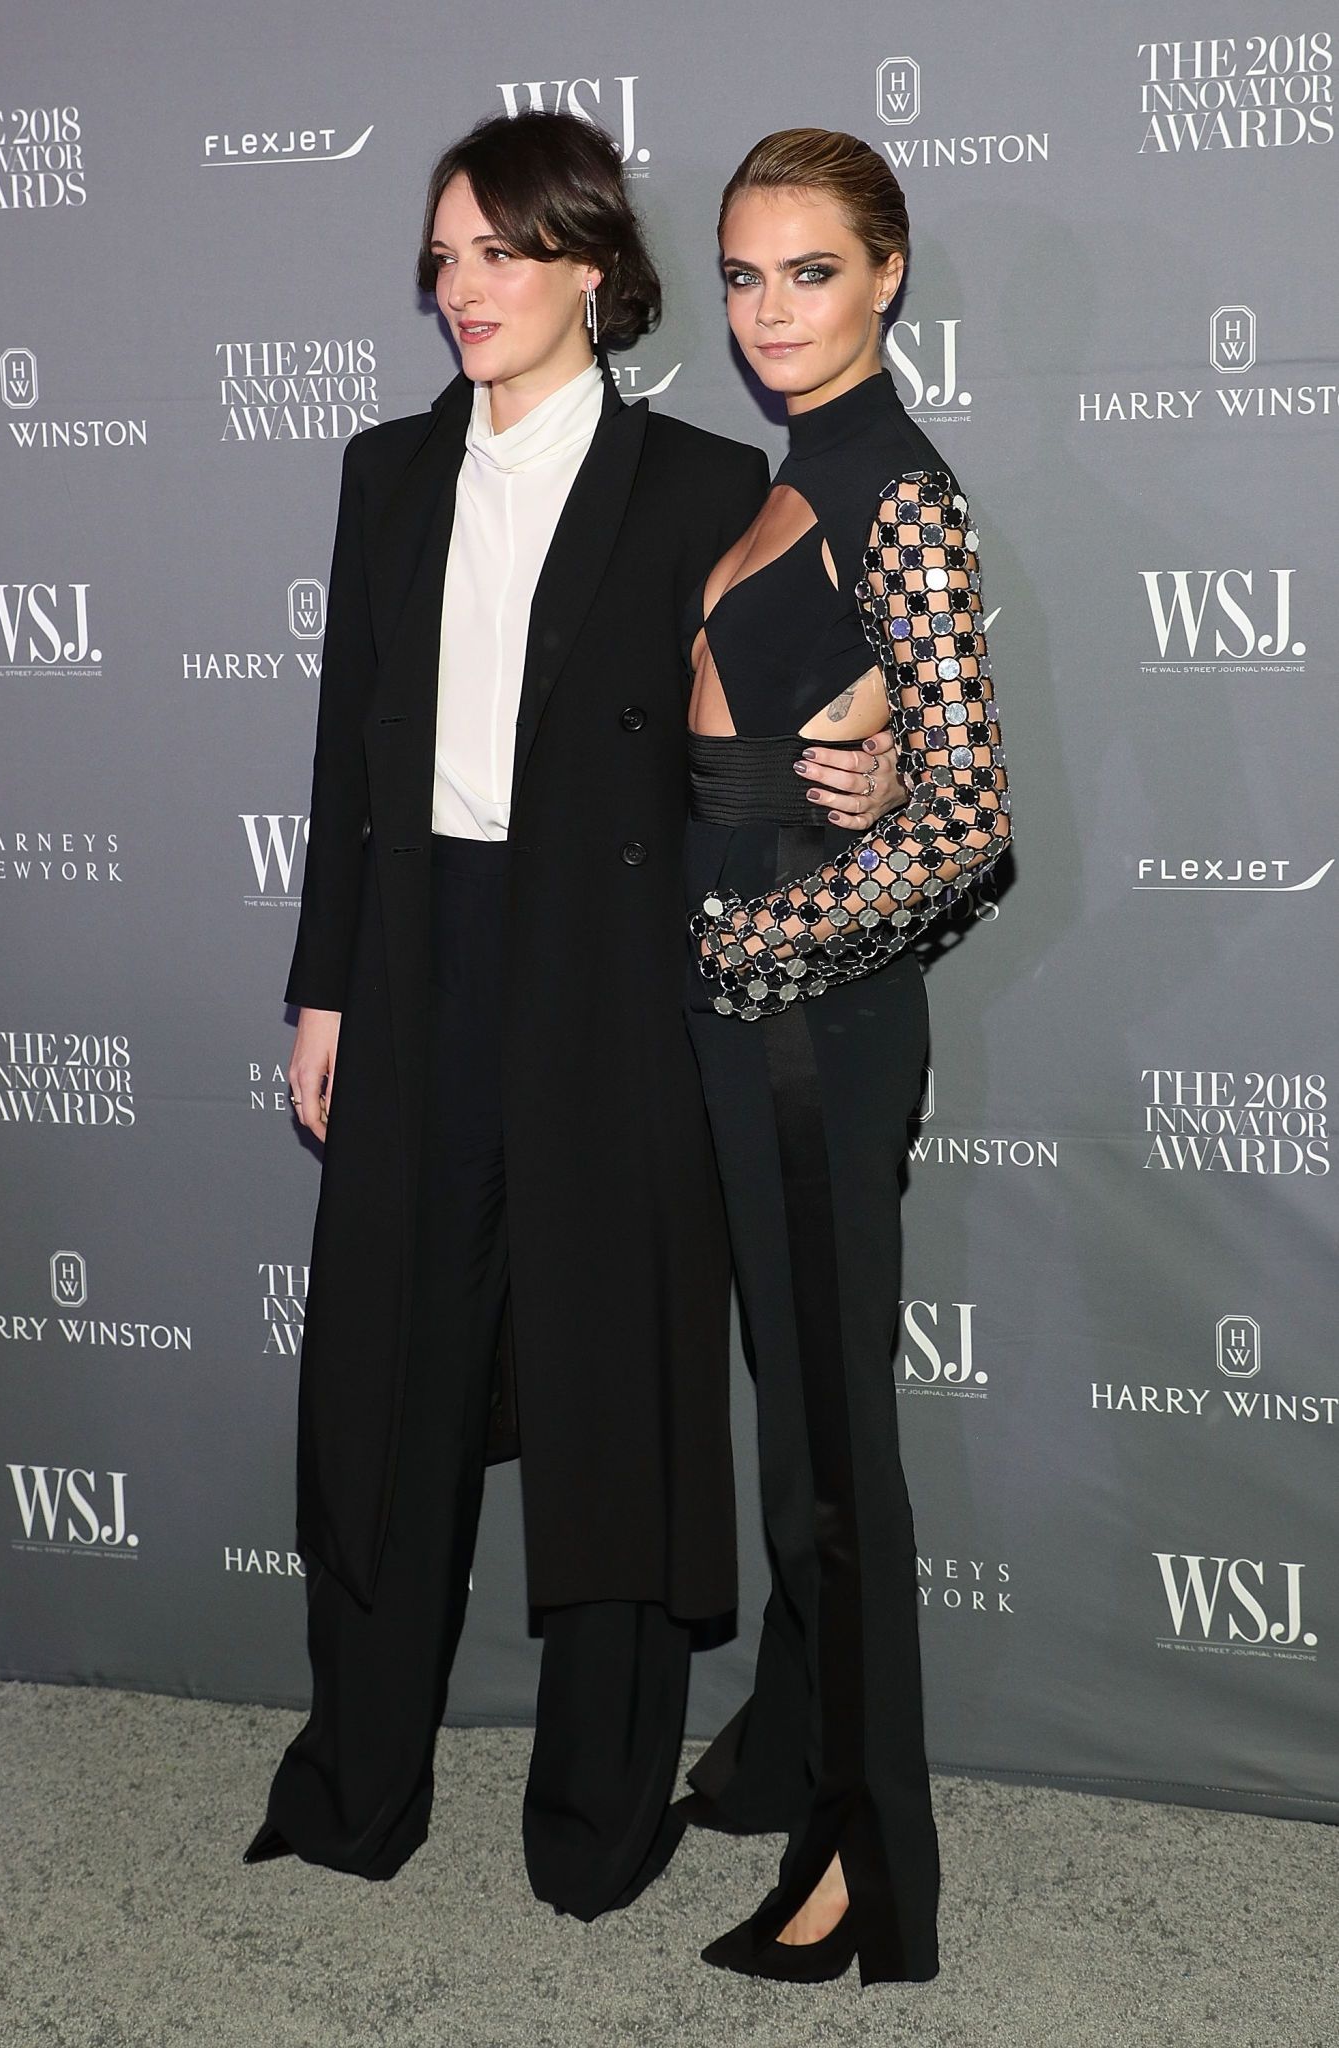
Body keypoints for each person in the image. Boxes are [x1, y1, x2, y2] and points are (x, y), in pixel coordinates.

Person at [242, 109, 900, 1922]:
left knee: (617, 1390)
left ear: (593, 271)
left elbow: (801, 714)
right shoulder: (386, 472)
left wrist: (871, 769)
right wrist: (323, 984)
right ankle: (354, 1785)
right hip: (415, 966)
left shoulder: (700, 485)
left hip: (615, 984)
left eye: (503, 253)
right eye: (444, 257)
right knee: (384, 1379)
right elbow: (346, 754)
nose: (465, 287)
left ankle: (598, 1822)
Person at [678, 129, 1013, 1983]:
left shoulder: (896, 490)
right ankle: (786, 1744)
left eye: (808, 272)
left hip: (807, 1024)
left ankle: (870, 1869)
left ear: (887, 273)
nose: (769, 311)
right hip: (752, 1025)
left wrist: (752, 946)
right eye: (742, 276)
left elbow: (966, 820)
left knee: (828, 1455)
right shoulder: (800, 467)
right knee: (792, 1417)